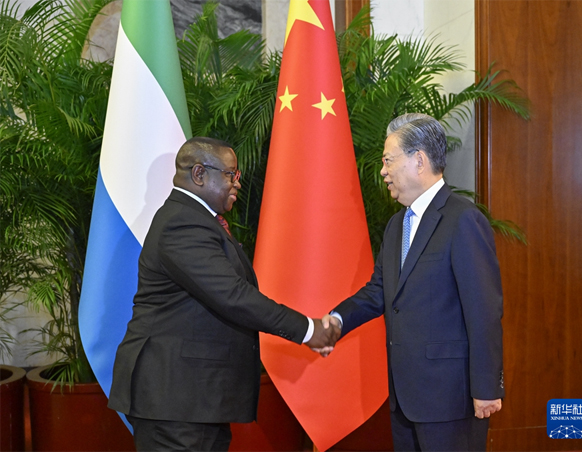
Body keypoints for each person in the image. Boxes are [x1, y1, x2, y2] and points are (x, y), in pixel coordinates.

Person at [108, 137, 339, 451]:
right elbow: (233, 296)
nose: (237, 183)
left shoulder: (198, 220)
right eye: (231, 174)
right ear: (199, 174)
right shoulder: (182, 224)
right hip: (175, 401)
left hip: (194, 400)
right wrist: (308, 330)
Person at [323, 113, 504, 451]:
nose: (383, 171)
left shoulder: (463, 219)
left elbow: (484, 311)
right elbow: (379, 291)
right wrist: (336, 320)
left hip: (451, 400)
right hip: (404, 398)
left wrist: (487, 387)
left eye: (388, 160)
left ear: (419, 160)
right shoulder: (397, 226)